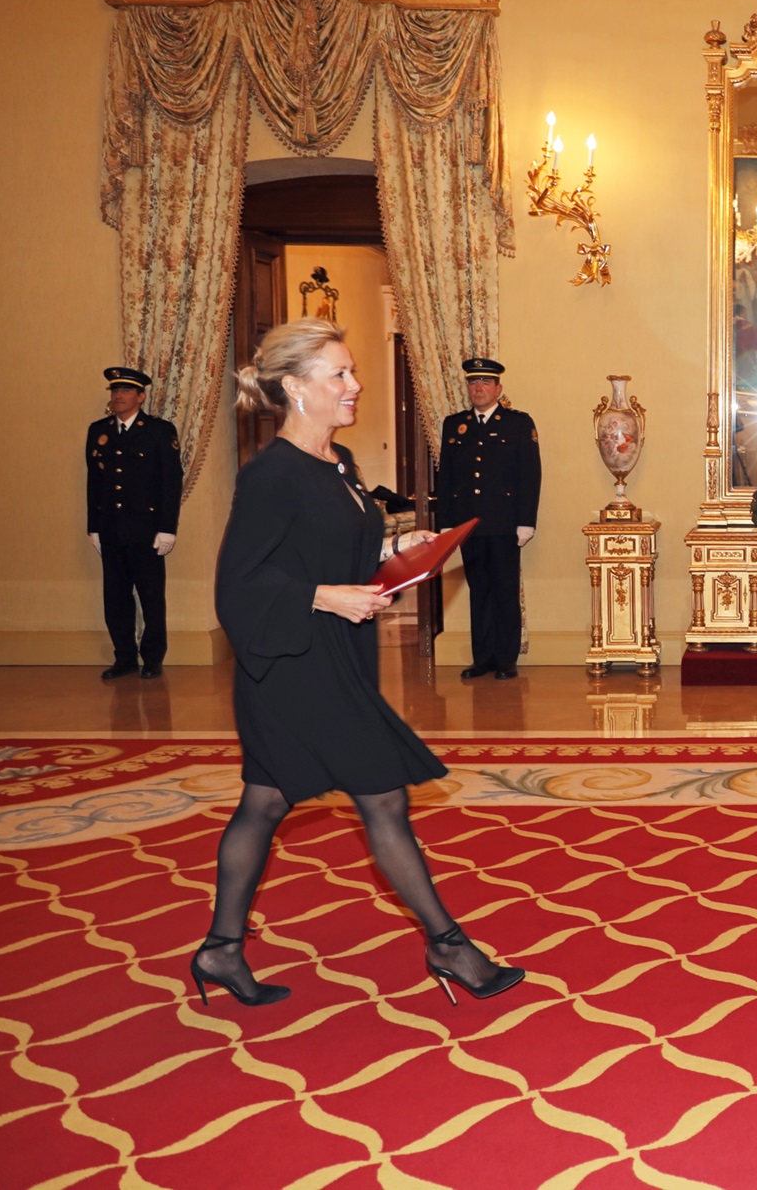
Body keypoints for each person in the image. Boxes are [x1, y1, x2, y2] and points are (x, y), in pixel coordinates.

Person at [200, 318, 524, 1009]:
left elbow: (332, 552)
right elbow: (237, 587)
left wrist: (402, 553)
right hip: (293, 666)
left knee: (264, 802)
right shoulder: (270, 477)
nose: (356, 384)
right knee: (382, 795)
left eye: (351, 371)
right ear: (293, 388)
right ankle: (448, 945)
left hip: (330, 655)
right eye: (339, 375)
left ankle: (221, 950)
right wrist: (321, 597)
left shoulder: (337, 465)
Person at [437, 358, 541, 680]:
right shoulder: (454, 425)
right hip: (468, 524)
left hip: (504, 523)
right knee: (478, 589)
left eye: (484, 383)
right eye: (472, 383)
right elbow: (447, 478)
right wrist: (447, 523)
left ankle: (506, 659)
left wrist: (526, 521)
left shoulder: (518, 424)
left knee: (505, 590)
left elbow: (530, 474)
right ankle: (482, 658)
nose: (478, 388)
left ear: (498, 388)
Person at [85, 367, 182, 680]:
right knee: (115, 598)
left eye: (126, 391)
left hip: (146, 530)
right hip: (111, 529)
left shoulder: (159, 430)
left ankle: (152, 658)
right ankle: (124, 657)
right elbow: (94, 481)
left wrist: (168, 528)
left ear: (141, 396)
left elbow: (171, 483)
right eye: (115, 391)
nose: (118, 396)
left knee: (151, 596)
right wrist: (94, 526)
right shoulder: (98, 430)